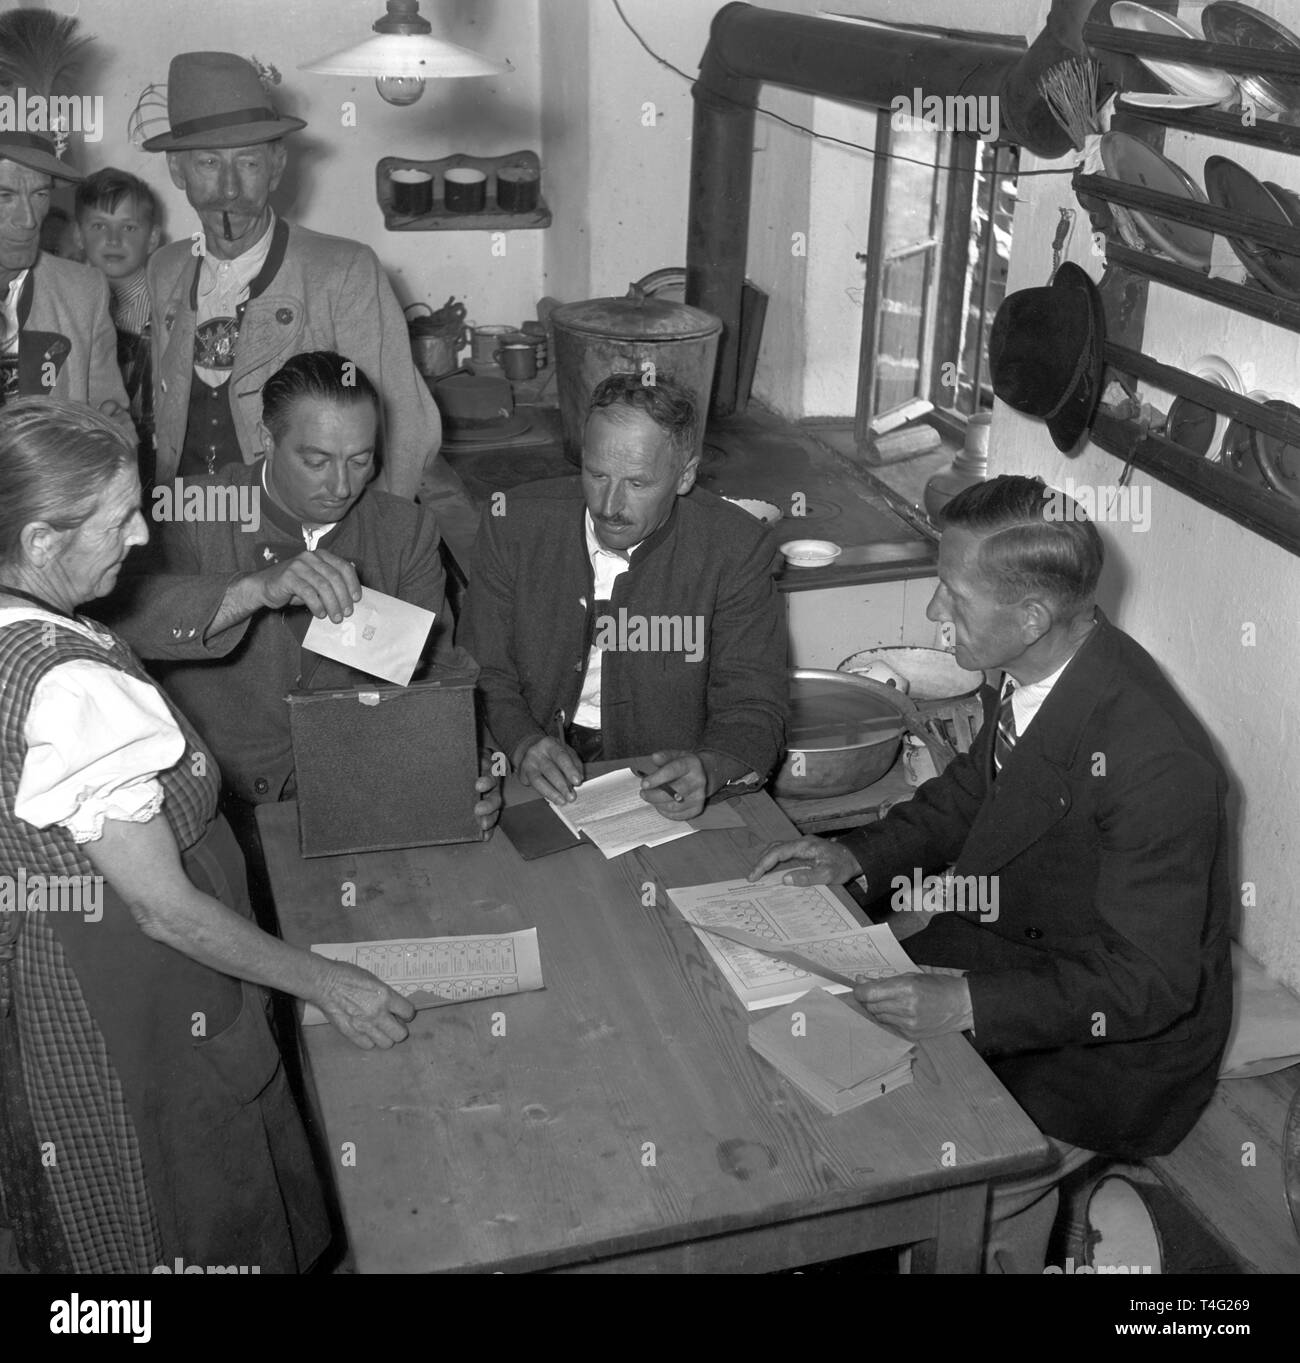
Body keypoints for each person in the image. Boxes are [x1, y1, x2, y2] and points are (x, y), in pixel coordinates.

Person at [748, 474, 1232, 1272]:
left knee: (944, 1184)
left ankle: (1017, 1239)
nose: (937, 616)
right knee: (821, 1077)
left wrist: (968, 1001)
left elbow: (1152, 982)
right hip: (1017, 955)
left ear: (1031, 616)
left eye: (952, 596)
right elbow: (975, 791)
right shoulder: (1040, 663)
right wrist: (857, 854)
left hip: (1110, 1047)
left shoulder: (1157, 762)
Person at [0, 396, 415, 1273]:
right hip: (138, 1011)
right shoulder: (72, 691)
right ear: (40, 541)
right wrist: (324, 980)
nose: (143, 535)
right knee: (184, 1218)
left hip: (49, 977)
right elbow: (166, 910)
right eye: (119, 519)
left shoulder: (20, 628)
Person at [96, 351, 500, 848]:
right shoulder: (189, 509)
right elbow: (112, 623)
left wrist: (461, 761)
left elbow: (434, 671)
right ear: (267, 440)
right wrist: (254, 588)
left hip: (356, 792)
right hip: (214, 806)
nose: (341, 486)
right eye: (315, 461)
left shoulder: (403, 530)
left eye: (361, 460)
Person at [141, 50, 479, 570]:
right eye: (209, 162)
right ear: (177, 169)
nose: (229, 187)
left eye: (249, 162)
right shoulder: (165, 269)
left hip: (309, 544)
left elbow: (406, 420)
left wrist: (375, 541)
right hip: (189, 536)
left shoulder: (342, 270)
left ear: (277, 166)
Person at [459, 371, 788, 821]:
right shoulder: (514, 525)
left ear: (685, 476)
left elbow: (755, 706)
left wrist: (710, 768)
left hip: (660, 785)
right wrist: (522, 741)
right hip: (522, 772)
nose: (610, 505)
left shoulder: (735, 549)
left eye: (637, 483)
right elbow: (481, 670)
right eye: (596, 474)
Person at [0, 130, 129, 418]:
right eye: (4, 195)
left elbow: (110, 419)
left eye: (40, 194)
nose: (29, 219)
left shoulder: (83, 291)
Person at [74, 167, 163, 487]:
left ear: (153, 237)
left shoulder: (171, 308)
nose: (113, 240)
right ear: (77, 234)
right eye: (99, 225)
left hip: (156, 465)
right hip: (83, 462)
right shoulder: (63, 306)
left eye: (128, 227)